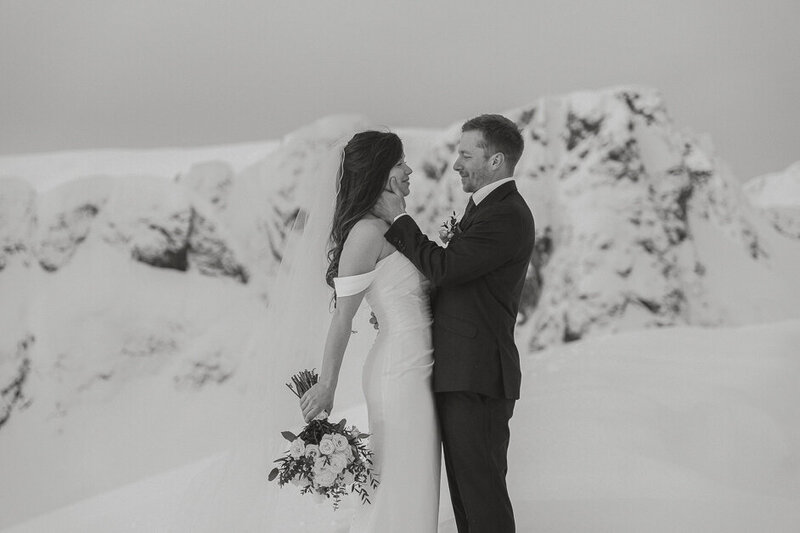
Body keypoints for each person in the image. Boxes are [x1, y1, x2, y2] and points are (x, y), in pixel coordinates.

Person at [372, 114, 535, 533]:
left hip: (478, 376)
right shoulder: (485, 208)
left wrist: (399, 219)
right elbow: (461, 285)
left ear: (496, 161)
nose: (457, 164)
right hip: (463, 373)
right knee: (467, 501)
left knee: (482, 500)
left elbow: (446, 269)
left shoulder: (506, 214)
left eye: (466, 154)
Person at [299, 131, 441, 532]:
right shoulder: (367, 232)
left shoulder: (390, 225)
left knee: (416, 478)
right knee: (401, 479)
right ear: (380, 173)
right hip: (399, 369)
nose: (409, 170)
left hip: (416, 365)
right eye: (399, 163)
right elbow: (342, 318)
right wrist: (327, 384)